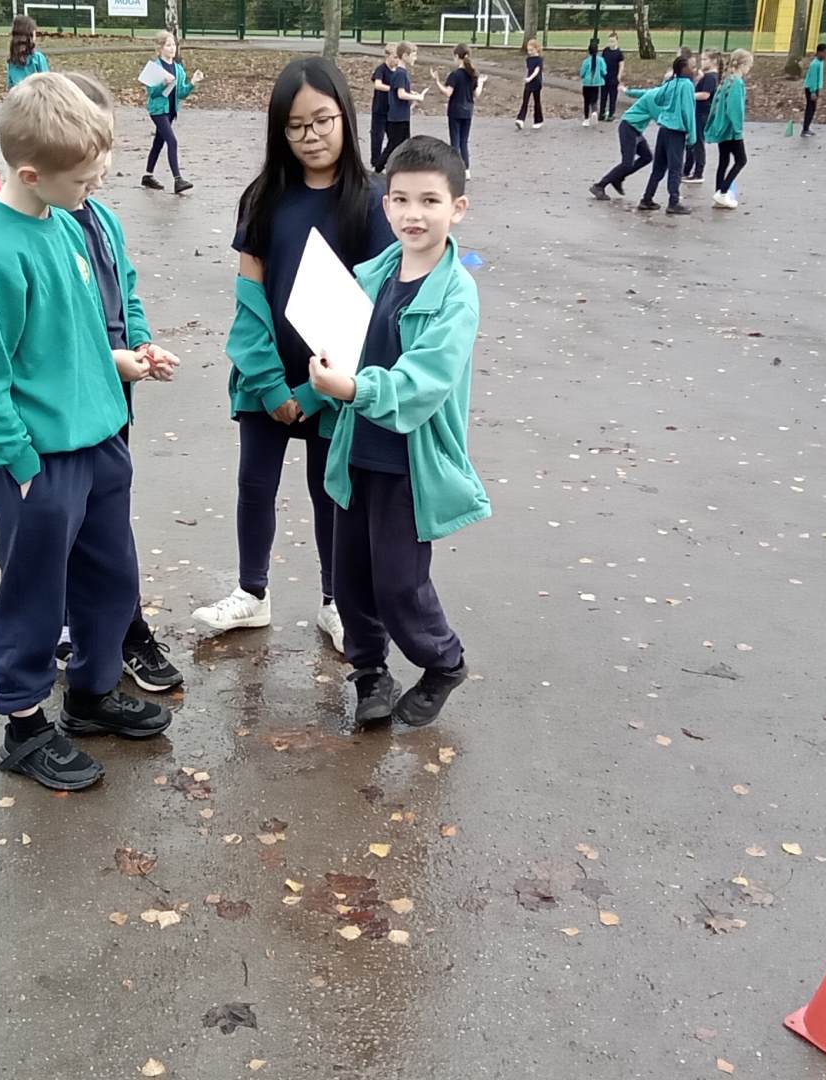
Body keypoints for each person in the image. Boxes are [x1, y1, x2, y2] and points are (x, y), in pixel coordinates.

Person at [0, 72, 173, 792]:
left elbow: (77, 340)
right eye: (83, 179)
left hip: (100, 442)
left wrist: (126, 364)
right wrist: (18, 462)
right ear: (29, 174)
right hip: (40, 462)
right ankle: (22, 726)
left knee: (111, 579)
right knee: (36, 595)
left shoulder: (66, 220)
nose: (95, 188)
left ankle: (92, 694)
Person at [193, 58, 398, 651]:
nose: (311, 136)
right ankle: (251, 593)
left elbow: (377, 311)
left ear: (346, 117)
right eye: (296, 126)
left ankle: (337, 602)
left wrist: (315, 391)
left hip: (335, 385)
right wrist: (269, 385)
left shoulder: (373, 202)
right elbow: (248, 298)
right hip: (264, 381)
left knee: (329, 491)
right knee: (254, 485)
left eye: (322, 120)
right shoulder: (262, 198)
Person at [307, 135, 488, 732]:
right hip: (356, 451)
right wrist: (325, 360)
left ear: (457, 209)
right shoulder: (374, 273)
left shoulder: (456, 294)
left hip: (409, 462)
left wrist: (353, 388)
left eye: (430, 201)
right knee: (351, 577)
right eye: (402, 200)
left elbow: (424, 381)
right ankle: (370, 674)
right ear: (386, 206)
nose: (414, 214)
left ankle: (444, 662)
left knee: (398, 583)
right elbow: (345, 340)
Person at [62, 72, 188, 693]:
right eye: (95, 148)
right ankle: (95, 629)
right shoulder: (45, 229)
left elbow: (126, 292)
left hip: (115, 397)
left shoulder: (104, 219)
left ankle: (119, 630)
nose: (106, 164)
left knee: (109, 525)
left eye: (110, 145)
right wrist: (107, 359)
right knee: (69, 524)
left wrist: (139, 344)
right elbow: (57, 333)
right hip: (68, 409)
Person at [141, 31, 202, 194]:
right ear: (160, 48)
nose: (172, 48)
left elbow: (181, 93)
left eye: (174, 44)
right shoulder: (155, 68)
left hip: (171, 111)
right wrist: (163, 83)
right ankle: (178, 180)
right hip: (158, 110)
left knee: (159, 142)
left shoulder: (178, 69)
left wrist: (192, 83)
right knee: (172, 141)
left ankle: (147, 176)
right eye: (168, 45)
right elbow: (152, 93)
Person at [636, 55, 696, 214]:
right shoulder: (687, 85)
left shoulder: (670, 83)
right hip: (676, 132)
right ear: (683, 69)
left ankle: (647, 198)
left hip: (663, 130)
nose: (693, 70)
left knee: (659, 167)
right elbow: (688, 111)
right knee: (675, 168)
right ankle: (673, 202)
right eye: (691, 67)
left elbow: (658, 98)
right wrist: (692, 135)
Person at [589, 72, 661, 201]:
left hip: (635, 129)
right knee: (627, 163)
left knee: (647, 157)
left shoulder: (656, 92)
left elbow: (640, 93)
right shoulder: (656, 97)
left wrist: (627, 91)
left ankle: (618, 178)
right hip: (629, 127)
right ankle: (599, 185)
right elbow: (659, 118)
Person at [706, 49, 750, 208]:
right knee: (741, 160)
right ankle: (722, 192)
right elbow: (735, 108)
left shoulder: (726, 80)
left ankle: (719, 194)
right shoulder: (737, 82)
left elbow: (716, 105)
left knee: (723, 161)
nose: (749, 69)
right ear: (743, 65)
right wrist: (738, 129)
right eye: (748, 66)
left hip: (722, 127)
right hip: (731, 130)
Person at [434, 44, 485, 178]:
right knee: (464, 141)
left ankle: (455, 169)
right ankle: (466, 170)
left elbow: (448, 93)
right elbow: (476, 94)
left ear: (457, 56)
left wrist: (437, 82)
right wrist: (481, 83)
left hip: (455, 111)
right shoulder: (472, 74)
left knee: (455, 141)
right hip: (468, 111)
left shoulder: (455, 75)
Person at [377, 42, 426, 171]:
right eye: (413, 55)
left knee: (403, 146)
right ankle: (378, 169)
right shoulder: (400, 73)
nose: (415, 58)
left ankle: (401, 170)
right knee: (394, 146)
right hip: (397, 118)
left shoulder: (401, 73)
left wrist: (413, 99)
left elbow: (399, 95)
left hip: (401, 116)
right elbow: (401, 94)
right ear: (405, 56)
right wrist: (417, 97)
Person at [683, 49, 721, 182]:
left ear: (714, 61)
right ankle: (687, 169)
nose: (702, 62)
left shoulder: (711, 77)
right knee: (693, 141)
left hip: (702, 113)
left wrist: (688, 95)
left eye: (705, 59)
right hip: (699, 112)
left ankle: (698, 173)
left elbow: (705, 95)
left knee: (698, 142)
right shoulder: (707, 76)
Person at [371, 43, 398, 171]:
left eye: (398, 57)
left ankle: (387, 160)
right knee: (377, 136)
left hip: (392, 110)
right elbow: (378, 84)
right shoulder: (381, 69)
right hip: (380, 109)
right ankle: (375, 162)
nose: (396, 60)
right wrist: (392, 89)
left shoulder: (398, 71)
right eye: (394, 57)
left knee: (394, 138)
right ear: (387, 56)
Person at [6, 16, 49, 89]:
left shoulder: (12, 62)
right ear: (30, 36)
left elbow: (10, 86)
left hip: (19, 95)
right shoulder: (38, 58)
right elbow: (48, 82)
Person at [516, 36, 544, 130]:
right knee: (525, 100)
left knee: (537, 101)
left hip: (536, 82)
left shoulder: (539, 59)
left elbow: (537, 70)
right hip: (528, 82)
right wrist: (527, 78)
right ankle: (520, 119)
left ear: (536, 49)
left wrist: (530, 78)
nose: (529, 52)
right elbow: (528, 69)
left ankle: (538, 120)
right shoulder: (528, 59)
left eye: (531, 50)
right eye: (528, 50)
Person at [579, 40, 607, 127]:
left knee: (586, 101)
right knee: (594, 99)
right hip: (597, 83)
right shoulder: (601, 60)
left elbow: (582, 73)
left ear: (589, 51)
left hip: (587, 83)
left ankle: (586, 119)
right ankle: (594, 111)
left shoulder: (586, 61)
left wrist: (584, 77)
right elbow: (604, 72)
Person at [599, 32, 625, 122]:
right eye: (610, 41)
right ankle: (601, 113)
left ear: (617, 41)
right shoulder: (605, 51)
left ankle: (611, 114)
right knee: (603, 96)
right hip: (605, 77)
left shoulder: (619, 53)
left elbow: (621, 65)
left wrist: (619, 76)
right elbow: (602, 62)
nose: (611, 43)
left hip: (614, 77)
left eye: (613, 41)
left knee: (612, 97)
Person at [801, 42, 826, 136]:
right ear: (819, 52)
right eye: (824, 52)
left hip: (815, 88)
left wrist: (820, 88)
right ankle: (805, 129)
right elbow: (812, 79)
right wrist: (813, 92)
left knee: (813, 108)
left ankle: (807, 128)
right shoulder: (815, 64)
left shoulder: (821, 62)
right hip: (811, 88)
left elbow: (819, 77)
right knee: (810, 108)